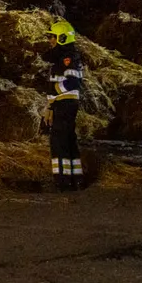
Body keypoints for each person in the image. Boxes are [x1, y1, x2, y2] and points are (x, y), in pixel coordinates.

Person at [42, 20, 85, 190]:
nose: (50, 40)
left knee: (59, 142)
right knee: (67, 141)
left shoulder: (68, 58)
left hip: (66, 103)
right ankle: (76, 179)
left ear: (62, 38)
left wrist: (55, 90)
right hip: (62, 103)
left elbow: (73, 82)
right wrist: (50, 107)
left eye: (53, 37)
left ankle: (63, 181)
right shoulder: (61, 58)